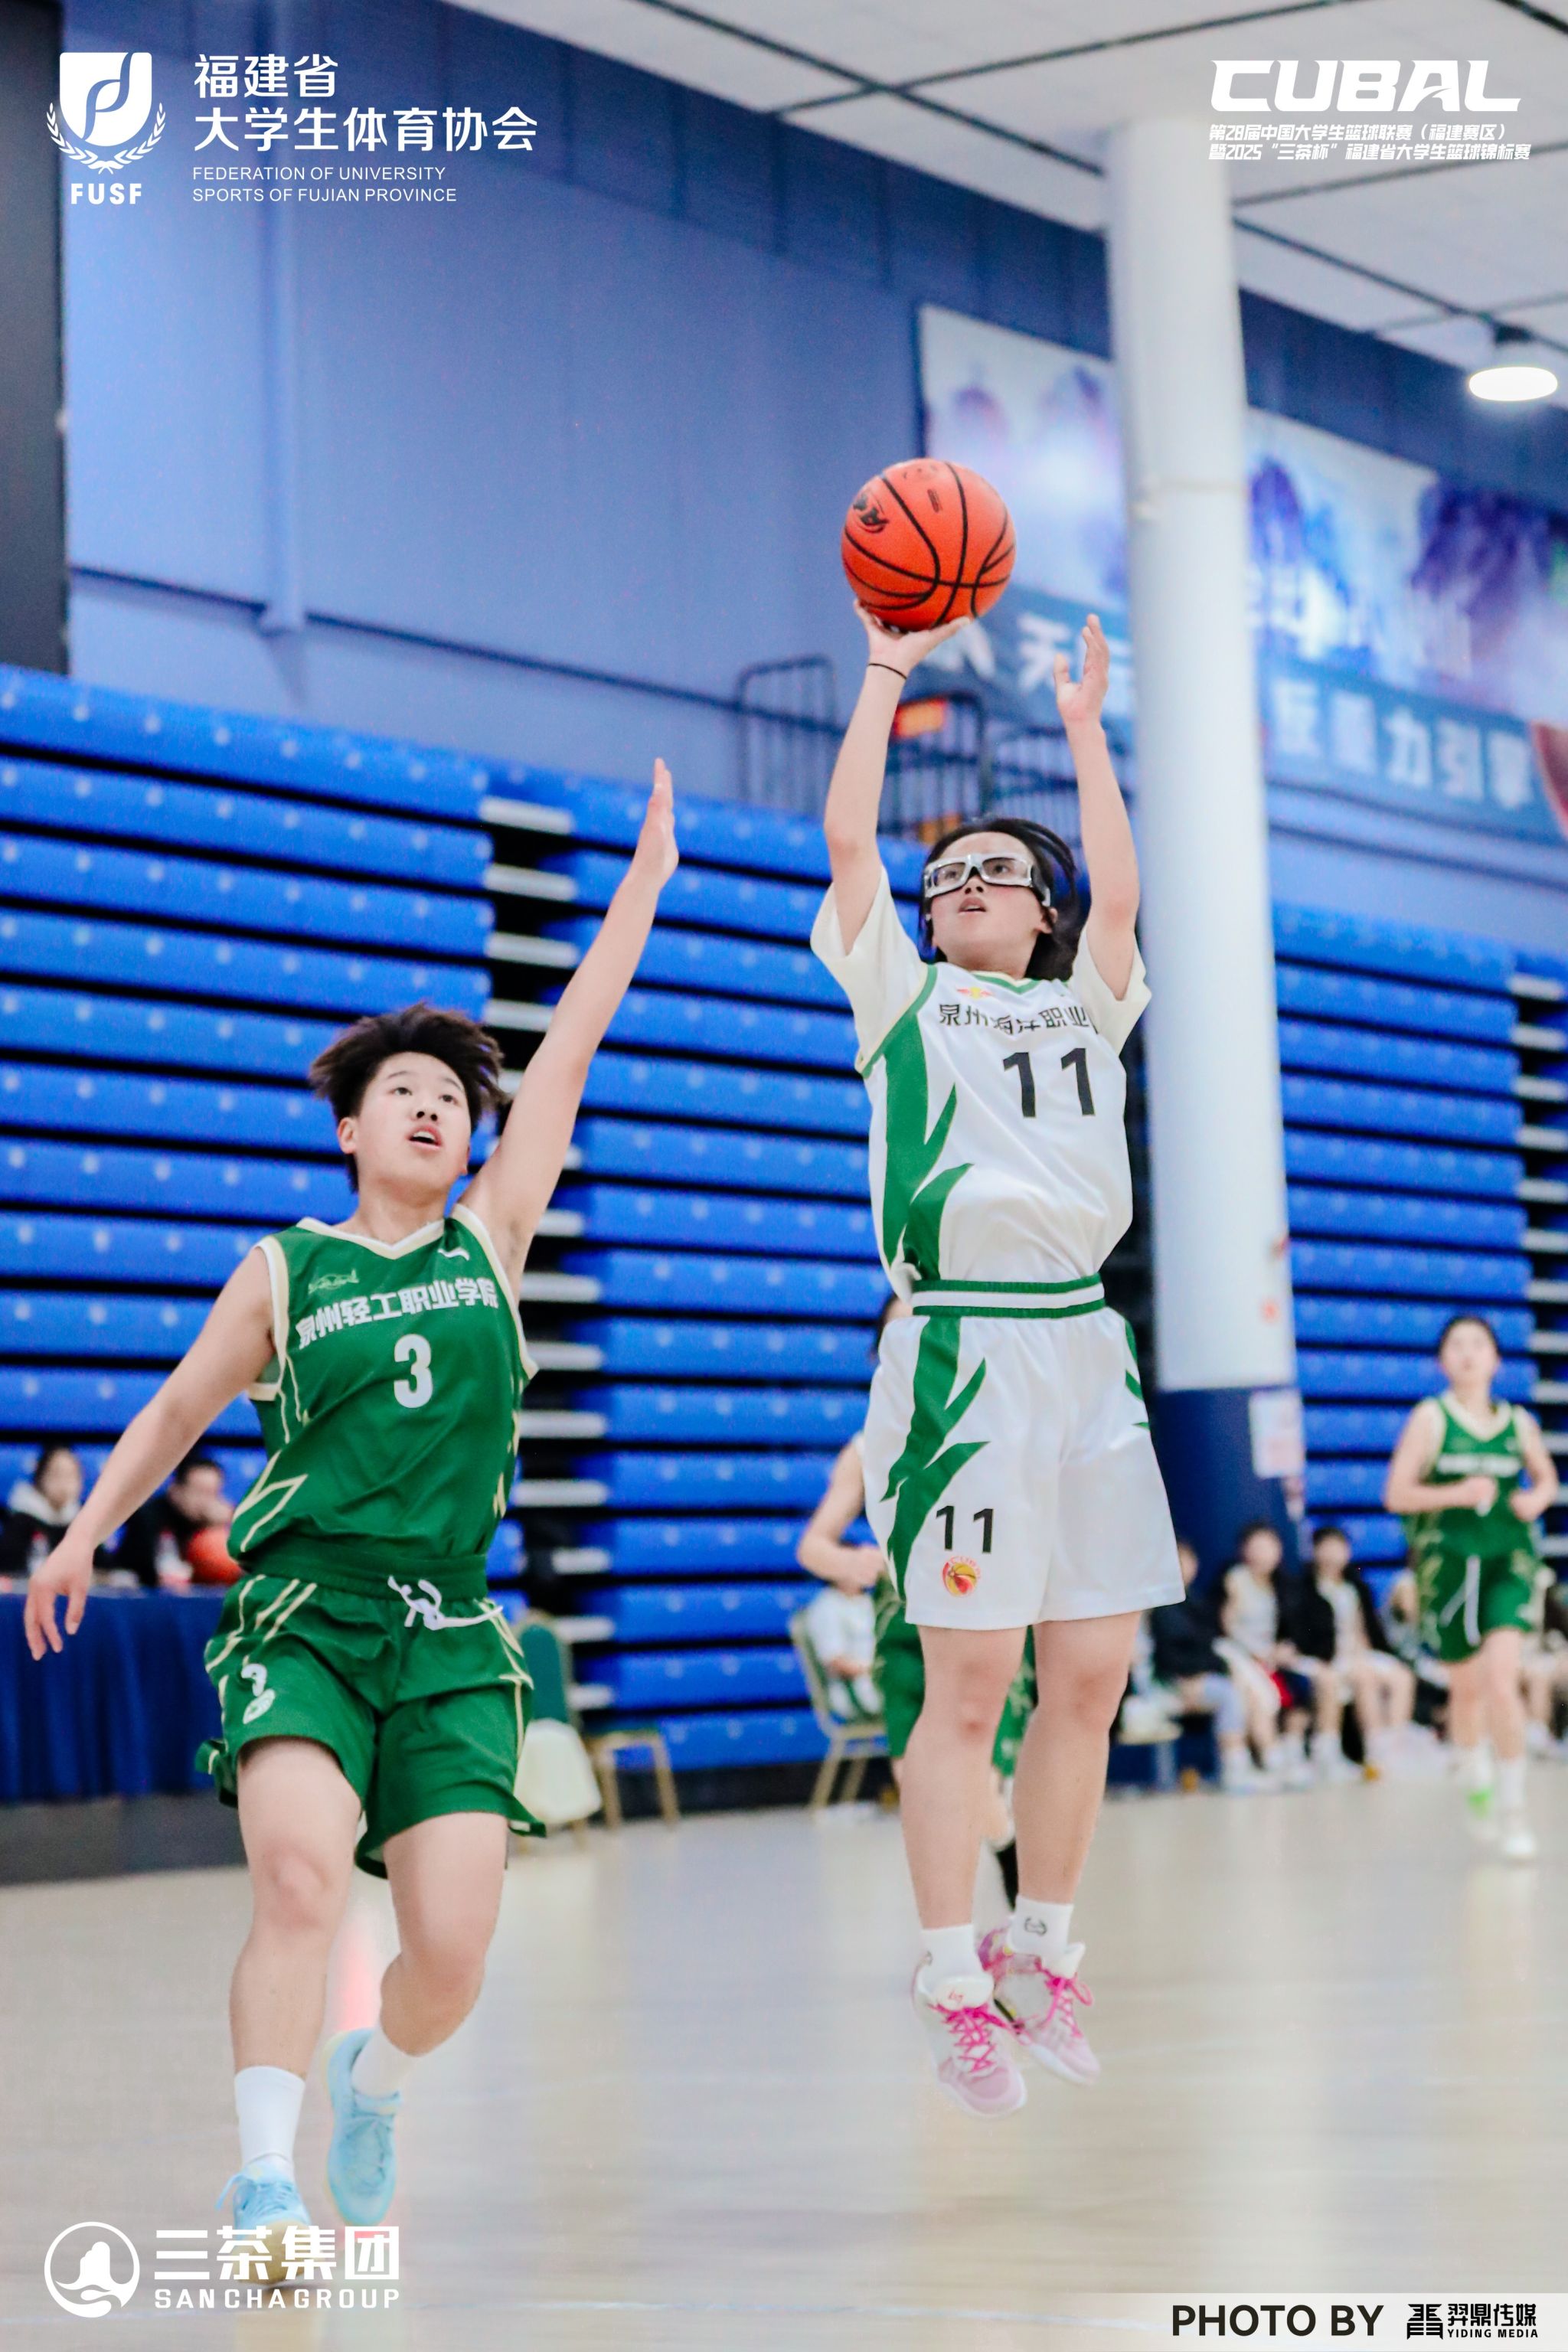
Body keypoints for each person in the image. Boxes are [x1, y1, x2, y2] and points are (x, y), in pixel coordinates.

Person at [24, 762, 679, 2259]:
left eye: (453, 1098)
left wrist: (639, 888)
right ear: (348, 1130)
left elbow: (571, 1046)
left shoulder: (493, 1240)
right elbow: (175, 1414)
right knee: (300, 1875)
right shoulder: (287, 1269)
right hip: (306, 1615)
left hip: (448, 1634)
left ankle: (369, 2080)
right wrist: (80, 1533)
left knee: (450, 1956)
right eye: (406, 1093)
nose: (435, 1109)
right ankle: (264, 2180)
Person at [812, 600, 1181, 2118]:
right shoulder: (901, 994)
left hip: (1086, 1345)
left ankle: (1041, 1949)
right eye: (945, 875)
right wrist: (885, 666)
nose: (961, 885)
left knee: (1088, 1674)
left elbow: (1122, 892)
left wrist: (1086, 734)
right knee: (966, 1692)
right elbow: (848, 839)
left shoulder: (1089, 1003)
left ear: (1042, 911)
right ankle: (947, 1973)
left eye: (992, 873)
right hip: (961, 1343)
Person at [795, 1297, 1029, 1903]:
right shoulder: (866, 1446)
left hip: (980, 1616)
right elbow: (812, 1545)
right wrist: (849, 1561)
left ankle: (1009, 1860)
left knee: (977, 1783)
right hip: (902, 1630)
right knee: (919, 1789)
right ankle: (950, 1935)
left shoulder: (991, 1424)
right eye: (900, 1332)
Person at [1383, 1312, 1560, 1861]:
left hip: (1508, 1560)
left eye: (1478, 1344)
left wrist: (1536, 1498)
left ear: (1495, 1359)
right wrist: (1455, 1493)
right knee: (1467, 1691)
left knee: (1503, 1681)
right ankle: (1473, 1771)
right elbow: (1396, 1494)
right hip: (1450, 1567)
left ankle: (1515, 1810)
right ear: (1443, 1360)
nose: (1467, 1353)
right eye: (1457, 1344)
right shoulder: (1431, 1418)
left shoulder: (1518, 1422)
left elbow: (1547, 1478)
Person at [1145, 1540, 1276, 1793]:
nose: (1183, 1567)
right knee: (1228, 1694)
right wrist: (1187, 1679)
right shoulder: (1160, 1606)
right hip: (1172, 1683)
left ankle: (1265, 1758)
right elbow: (1169, 1656)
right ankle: (1235, 1768)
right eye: (1176, 1561)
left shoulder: (1196, 1601)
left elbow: (1208, 1648)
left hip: (1200, 1677)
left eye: (1187, 1561)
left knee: (1244, 1689)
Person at [1294, 1524, 1417, 1775]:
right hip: (1329, 1657)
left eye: (1339, 1548)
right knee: (1364, 1677)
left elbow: (1367, 1630)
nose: (1333, 1554)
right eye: (1327, 1548)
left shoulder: (1356, 1587)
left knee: (1402, 1677)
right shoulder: (1305, 1590)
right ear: (1315, 1551)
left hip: (1360, 1654)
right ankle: (1374, 1749)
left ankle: (1394, 1746)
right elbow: (1303, 1634)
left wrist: (1368, 1652)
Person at [1217, 1521, 1331, 1787]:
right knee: (1262, 1695)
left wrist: (1285, 1649)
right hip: (1240, 1653)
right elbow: (1228, 1626)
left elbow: (1292, 1628)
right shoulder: (1236, 1579)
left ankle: (1313, 1754)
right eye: (1257, 1547)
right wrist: (1259, 1653)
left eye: (1269, 1547)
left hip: (1273, 1656)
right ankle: (1271, 1759)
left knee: (1316, 1680)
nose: (1263, 1553)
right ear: (1245, 1550)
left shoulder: (1282, 1585)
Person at [114, 1451, 231, 1588]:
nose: (206, 1502)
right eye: (199, 1492)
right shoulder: (149, 1517)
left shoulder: (217, 1525)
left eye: (213, 1493)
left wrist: (221, 1528)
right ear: (176, 1490)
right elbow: (151, 1574)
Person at [0, 1443, 86, 1576]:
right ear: (40, 1476)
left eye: (72, 1475)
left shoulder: (84, 1520)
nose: (65, 1483)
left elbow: (107, 1569)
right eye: (57, 1474)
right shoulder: (21, 1520)